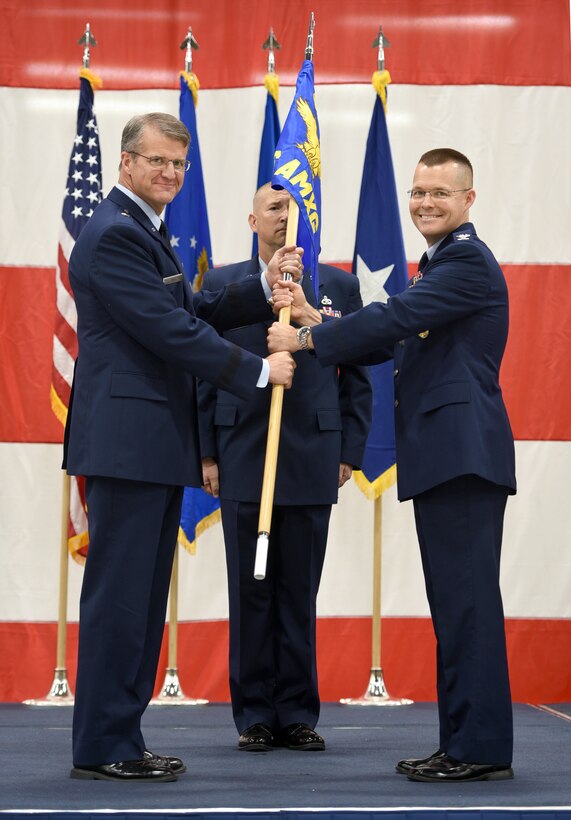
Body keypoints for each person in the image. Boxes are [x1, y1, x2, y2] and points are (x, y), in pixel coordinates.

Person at [63, 113, 297, 782]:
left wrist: (259, 284)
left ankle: (120, 738)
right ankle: (105, 744)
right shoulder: (113, 235)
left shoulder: (140, 229)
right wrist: (256, 371)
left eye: (178, 164)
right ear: (125, 165)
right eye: (157, 161)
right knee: (121, 598)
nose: (169, 173)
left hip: (148, 441)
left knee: (137, 597)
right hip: (127, 442)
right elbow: (171, 332)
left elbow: (188, 309)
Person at [268, 149, 516, 782]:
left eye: (440, 192)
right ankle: (461, 741)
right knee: (455, 607)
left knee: (467, 608)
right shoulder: (441, 266)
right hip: (447, 456)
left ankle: (480, 749)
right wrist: (313, 317)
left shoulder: (465, 262)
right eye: (418, 191)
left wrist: (306, 339)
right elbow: (387, 334)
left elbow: (397, 317)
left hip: (462, 456)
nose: (425, 202)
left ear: (469, 200)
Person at [198, 183, 372, 752]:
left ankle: (297, 711)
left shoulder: (339, 287)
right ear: (252, 219)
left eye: (295, 209)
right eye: (274, 208)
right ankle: (252, 713)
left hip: (313, 453)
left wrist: (349, 449)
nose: (285, 218)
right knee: (250, 591)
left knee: (299, 588)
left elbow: (359, 378)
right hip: (243, 451)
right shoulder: (223, 286)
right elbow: (200, 372)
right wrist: (207, 451)